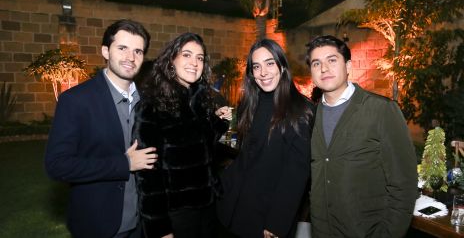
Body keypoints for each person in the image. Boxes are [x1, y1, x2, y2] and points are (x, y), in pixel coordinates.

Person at [45, 19, 157, 238]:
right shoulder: (76, 100)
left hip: (142, 224)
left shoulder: (149, 102)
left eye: (138, 51)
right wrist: (124, 163)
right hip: (98, 224)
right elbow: (57, 165)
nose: (130, 58)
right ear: (105, 51)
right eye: (122, 48)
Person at [305, 35, 418, 238]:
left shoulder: (381, 110)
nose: (324, 68)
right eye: (316, 63)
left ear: (348, 66)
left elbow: (404, 184)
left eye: (332, 60)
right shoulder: (310, 116)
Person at [132, 32, 232, 238]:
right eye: (186, 55)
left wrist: (218, 121)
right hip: (177, 214)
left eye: (200, 58)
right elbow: (148, 176)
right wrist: (160, 229)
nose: (194, 63)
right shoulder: (152, 106)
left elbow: (200, 146)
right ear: (171, 60)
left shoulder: (199, 101)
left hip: (208, 207)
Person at [216, 39, 315, 238]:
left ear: (282, 66)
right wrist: (223, 126)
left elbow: (296, 174)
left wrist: (276, 223)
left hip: (265, 217)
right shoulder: (249, 103)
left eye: (270, 63)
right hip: (230, 207)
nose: (263, 72)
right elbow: (241, 150)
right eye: (256, 67)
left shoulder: (301, 110)